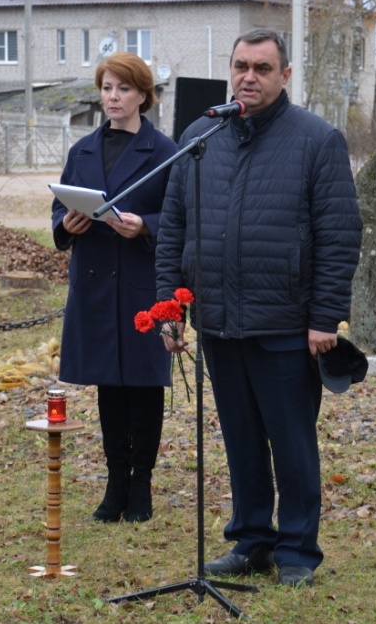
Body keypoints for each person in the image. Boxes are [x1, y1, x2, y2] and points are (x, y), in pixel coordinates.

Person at [155, 29, 363, 586]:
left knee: (292, 443)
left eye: (263, 68)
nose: (249, 76)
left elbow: (339, 234)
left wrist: (325, 316)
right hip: (219, 321)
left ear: (285, 76)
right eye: (241, 65)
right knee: (242, 440)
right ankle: (251, 541)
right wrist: (168, 308)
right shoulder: (202, 136)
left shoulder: (317, 140)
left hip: (286, 325)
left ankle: (297, 550)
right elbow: (174, 225)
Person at [52, 52, 178, 523]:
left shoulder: (164, 151)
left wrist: (145, 225)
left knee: (144, 386)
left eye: (123, 89)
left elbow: (182, 217)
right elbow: (58, 212)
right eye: (106, 88)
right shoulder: (81, 151)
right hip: (95, 285)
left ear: (143, 95)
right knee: (110, 386)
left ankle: (141, 485)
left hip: (144, 283)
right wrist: (68, 223)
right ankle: (114, 485)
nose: (113, 97)